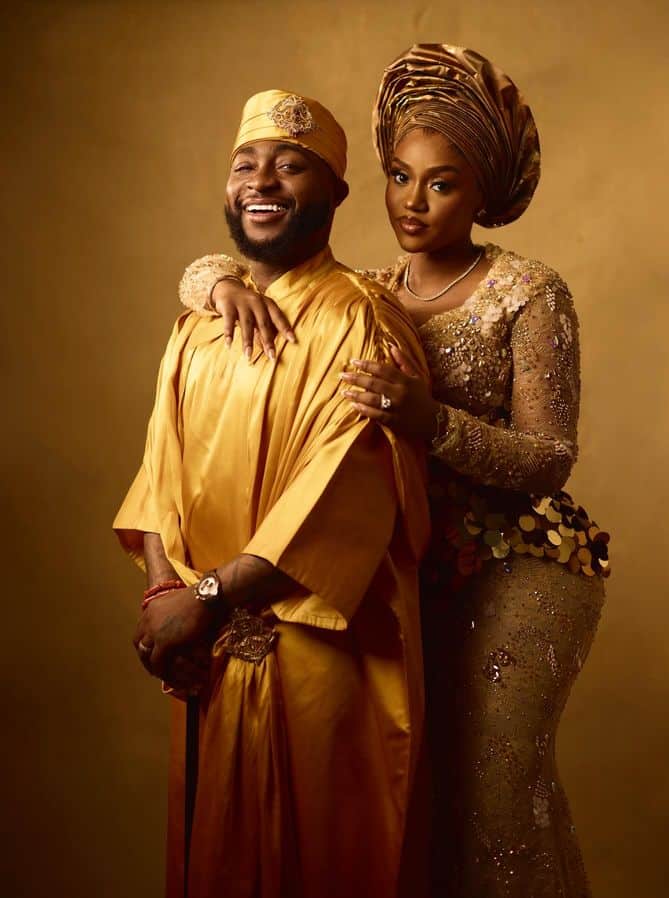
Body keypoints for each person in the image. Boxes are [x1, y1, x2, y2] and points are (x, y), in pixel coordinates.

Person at [178, 45, 611, 898]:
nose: (413, 202)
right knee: (409, 794)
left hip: (518, 566)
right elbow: (221, 267)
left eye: (441, 184)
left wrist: (431, 422)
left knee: (496, 793)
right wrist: (218, 281)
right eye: (400, 178)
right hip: (398, 567)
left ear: (482, 193)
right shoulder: (366, 289)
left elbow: (550, 459)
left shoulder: (528, 290)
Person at [114, 88, 432, 898]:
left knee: (321, 861)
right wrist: (163, 592)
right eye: (246, 165)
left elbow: (348, 492)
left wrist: (206, 599)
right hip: (206, 652)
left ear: (335, 192)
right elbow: (158, 476)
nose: (262, 181)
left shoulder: (363, 322)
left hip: (319, 653)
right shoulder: (197, 327)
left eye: (291, 166)